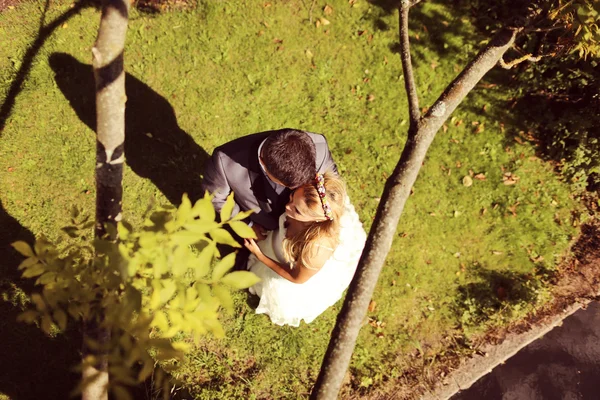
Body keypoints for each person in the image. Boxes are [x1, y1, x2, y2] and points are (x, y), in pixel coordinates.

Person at [243, 171, 366, 327]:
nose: (287, 206)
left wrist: (259, 255)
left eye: (297, 211)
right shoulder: (309, 201)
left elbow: (297, 278)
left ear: (317, 219)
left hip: (297, 273)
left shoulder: (315, 250)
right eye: (292, 198)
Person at [201, 128, 337, 240]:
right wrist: (247, 225)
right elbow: (216, 198)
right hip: (265, 227)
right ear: (263, 163)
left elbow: (333, 186)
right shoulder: (224, 162)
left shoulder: (320, 148)